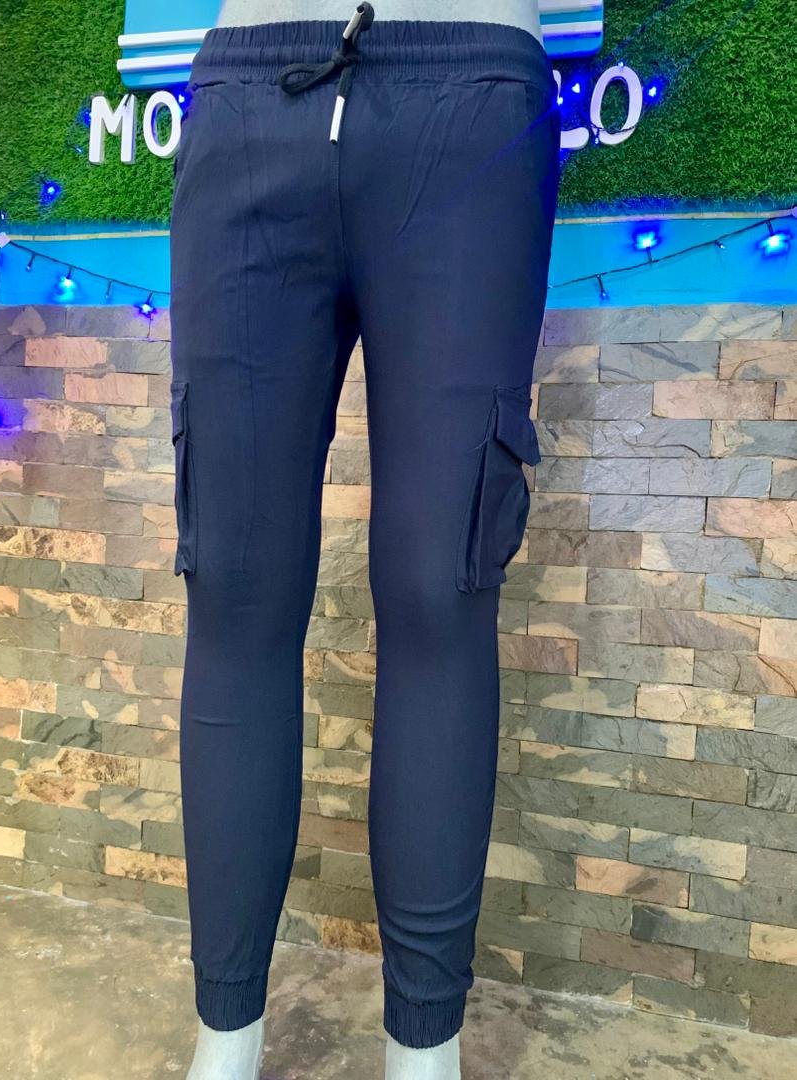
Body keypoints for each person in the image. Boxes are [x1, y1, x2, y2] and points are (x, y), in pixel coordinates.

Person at [171, 3, 560, 1077]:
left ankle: (424, 1055)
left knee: (440, 595)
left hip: (473, 94)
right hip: (250, 89)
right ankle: (223, 1042)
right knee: (234, 595)